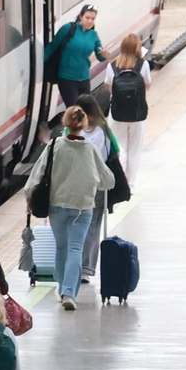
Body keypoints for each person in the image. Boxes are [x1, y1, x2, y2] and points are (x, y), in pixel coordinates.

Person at [25, 107, 113, 310]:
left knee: (62, 247)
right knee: (76, 248)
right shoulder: (91, 149)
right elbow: (108, 180)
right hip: (83, 208)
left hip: (58, 206)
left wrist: (29, 197)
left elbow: (37, 175)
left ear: (65, 123)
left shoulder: (55, 146)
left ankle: (62, 286)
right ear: (83, 125)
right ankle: (68, 293)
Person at [74, 93, 115, 283]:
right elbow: (115, 151)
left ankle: (80, 266)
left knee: (77, 224)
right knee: (91, 225)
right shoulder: (104, 131)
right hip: (95, 185)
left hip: (78, 185)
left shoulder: (72, 130)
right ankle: (85, 267)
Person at [105, 32, 152, 175]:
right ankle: (130, 184)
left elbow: (110, 87)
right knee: (135, 150)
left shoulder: (112, 66)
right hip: (138, 113)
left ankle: (119, 181)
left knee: (119, 146)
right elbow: (147, 86)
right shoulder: (143, 65)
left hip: (117, 113)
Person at [45, 5, 105, 109]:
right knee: (74, 110)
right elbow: (52, 47)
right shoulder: (68, 29)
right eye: (87, 18)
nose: (90, 21)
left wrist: (103, 54)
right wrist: (40, 65)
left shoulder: (93, 35)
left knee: (86, 110)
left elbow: (100, 56)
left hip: (84, 78)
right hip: (67, 78)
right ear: (81, 16)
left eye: (93, 19)